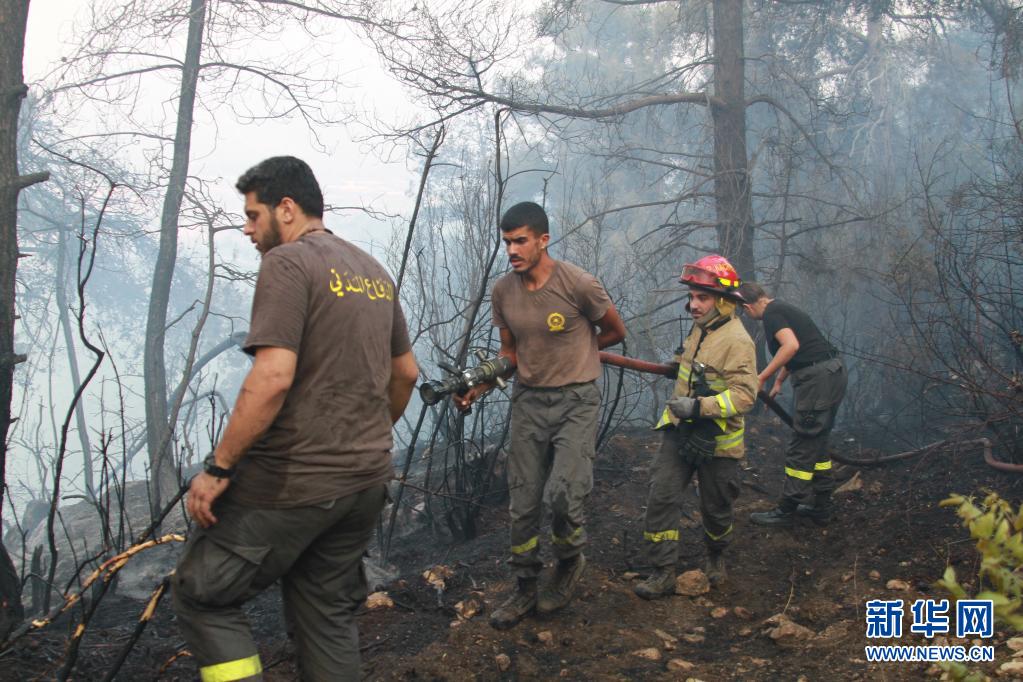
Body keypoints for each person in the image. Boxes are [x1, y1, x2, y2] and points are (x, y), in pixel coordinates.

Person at [171, 156, 419, 682]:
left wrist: (218, 468)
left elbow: (273, 377)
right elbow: (406, 373)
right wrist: (367, 438)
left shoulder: (287, 263)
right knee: (325, 614)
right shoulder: (372, 271)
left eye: (252, 215)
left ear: (286, 208)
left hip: (293, 485)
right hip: (365, 482)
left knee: (202, 594)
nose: (247, 229)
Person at [454, 201, 626, 629]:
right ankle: (525, 586)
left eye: (520, 241)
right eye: (506, 242)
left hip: (576, 401)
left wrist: (580, 352)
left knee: (564, 495)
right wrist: (479, 386)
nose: (512, 250)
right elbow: (509, 353)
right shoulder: (503, 292)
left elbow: (615, 331)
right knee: (523, 502)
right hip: (529, 402)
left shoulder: (578, 284)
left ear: (543, 240)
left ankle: (568, 563)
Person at [633, 255, 757, 599]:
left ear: (724, 301)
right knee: (662, 494)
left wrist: (700, 407)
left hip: (718, 441)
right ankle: (662, 571)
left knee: (716, 507)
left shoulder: (738, 340)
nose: (693, 305)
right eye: (691, 297)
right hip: (680, 430)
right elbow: (696, 364)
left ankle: (716, 556)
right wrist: (677, 363)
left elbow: (745, 395)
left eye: (702, 298)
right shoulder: (702, 327)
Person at [740, 281, 847, 527]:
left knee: (803, 441)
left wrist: (762, 377)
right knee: (817, 440)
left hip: (818, 380)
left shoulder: (771, 314)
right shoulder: (781, 308)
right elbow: (802, 347)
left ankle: (786, 510)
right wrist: (779, 380)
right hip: (832, 372)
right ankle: (822, 506)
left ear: (747, 307)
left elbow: (791, 346)